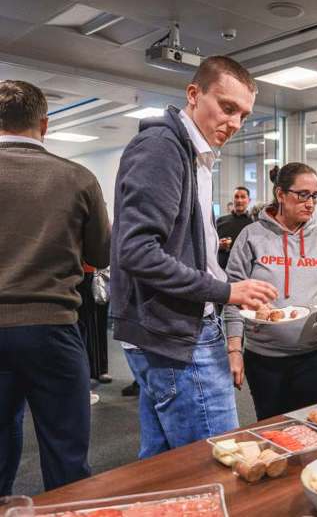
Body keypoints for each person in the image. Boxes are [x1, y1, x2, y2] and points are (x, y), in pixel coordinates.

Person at [111, 56, 278, 459]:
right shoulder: (162, 148)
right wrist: (225, 290)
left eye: (243, 114)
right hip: (178, 337)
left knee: (164, 467)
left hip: (174, 331)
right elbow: (136, 250)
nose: (235, 123)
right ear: (193, 94)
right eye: (227, 107)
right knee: (217, 465)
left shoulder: (193, 154)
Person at [0, 79, 110, 493]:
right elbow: (103, 255)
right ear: (44, 125)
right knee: (66, 455)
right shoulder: (78, 178)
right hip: (53, 329)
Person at [224, 163, 317, 420]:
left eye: (315, 196)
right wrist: (234, 349)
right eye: (303, 195)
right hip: (266, 360)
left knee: (314, 428)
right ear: (280, 194)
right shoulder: (251, 237)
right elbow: (232, 299)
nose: (310, 203)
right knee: (272, 430)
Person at [216, 186, 253, 269]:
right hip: (221, 269)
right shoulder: (220, 221)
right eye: (236, 197)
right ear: (233, 200)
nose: (239, 200)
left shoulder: (254, 223)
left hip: (245, 270)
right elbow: (210, 245)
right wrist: (218, 244)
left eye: (243, 197)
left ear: (249, 200)